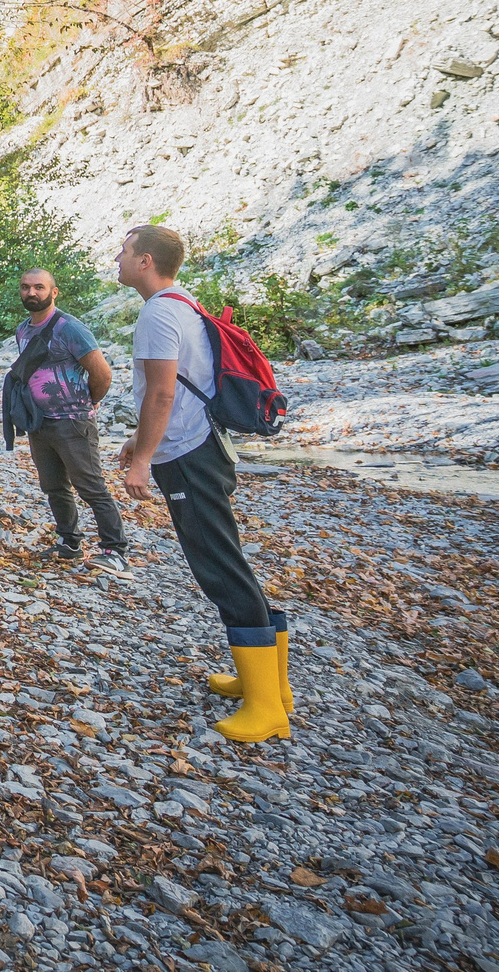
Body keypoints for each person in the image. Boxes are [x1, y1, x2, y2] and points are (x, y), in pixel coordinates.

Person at [116, 226, 289, 743]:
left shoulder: (158, 313)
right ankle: (269, 686)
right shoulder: (182, 304)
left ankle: (267, 708)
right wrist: (137, 441)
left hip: (189, 455)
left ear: (146, 261)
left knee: (218, 566)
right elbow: (175, 390)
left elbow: (163, 394)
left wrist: (142, 458)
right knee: (227, 558)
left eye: (123, 252)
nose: (116, 260)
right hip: (203, 446)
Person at [6, 269, 128, 569]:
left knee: (90, 485)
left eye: (38, 287)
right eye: (25, 288)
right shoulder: (23, 330)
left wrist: (88, 402)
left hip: (73, 421)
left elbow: (102, 373)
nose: (31, 293)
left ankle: (115, 551)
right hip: (39, 421)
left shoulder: (70, 328)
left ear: (54, 292)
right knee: (53, 485)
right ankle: (68, 542)